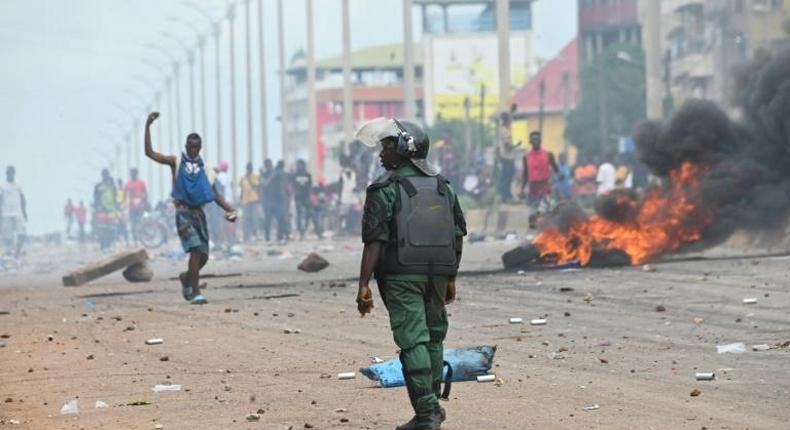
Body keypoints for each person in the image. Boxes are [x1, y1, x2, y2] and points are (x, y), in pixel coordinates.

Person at [355, 118, 466, 430]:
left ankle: (427, 413)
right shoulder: (444, 187)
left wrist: (363, 284)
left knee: (414, 341)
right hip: (438, 273)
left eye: (387, 147)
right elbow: (457, 235)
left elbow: (374, 240)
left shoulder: (384, 189)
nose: (381, 154)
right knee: (433, 337)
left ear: (405, 150)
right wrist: (452, 277)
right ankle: (431, 406)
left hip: (401, 276)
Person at [144, 111, 236, 305]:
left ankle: (187, 278)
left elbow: (215, 194)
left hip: (199, 213)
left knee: (203, 256)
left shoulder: (206, 169)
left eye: (196, 147)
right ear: (186, 147)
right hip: (183, 212)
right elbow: (150, 153)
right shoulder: (176, 162)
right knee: (194, 250)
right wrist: (147, 126)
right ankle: (195, 292)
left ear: (200, 148)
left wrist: (230, 209)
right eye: (190, 147)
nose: (193, 150)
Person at [520, 131, 558, 228]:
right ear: (530, 141)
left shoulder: (548, 154)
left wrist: (559, 175)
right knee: (533, 218)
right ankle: (535, 235)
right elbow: (525, 174)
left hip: (546, 188)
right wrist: (521, 189)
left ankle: (549, 233)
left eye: (537, 139)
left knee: (549, 212)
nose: (535, 141)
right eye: (533, 139)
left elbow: (555, 168)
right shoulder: (526, 157)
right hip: (533, 190)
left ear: (541, 140)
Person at [0, 166, 28, 259]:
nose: (11, 174)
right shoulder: (2, 185)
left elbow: (22, 198)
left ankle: (17, 252)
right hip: (6, 214)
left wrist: (24, 212)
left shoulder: (18, 185)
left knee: (22, 234)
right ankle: (9, 254)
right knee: (7, 237)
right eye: (9, 173)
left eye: (13, 173)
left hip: (18, 213)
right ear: (6, 174)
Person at [93, 169, 120, 251]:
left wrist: (117, 207)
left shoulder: (112, 185)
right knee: (103, 229)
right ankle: (104, 246)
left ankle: (109, 245)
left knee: (111, 229)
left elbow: (115, 197)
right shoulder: (98, 186)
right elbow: (96, 198)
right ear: (102, 175)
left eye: (106, 174)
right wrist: (97, 208)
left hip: (111, 210)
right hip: (102, 210)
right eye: (104, 174)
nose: (105, 175)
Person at [496, 112, 518, 202]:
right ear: (506, 120)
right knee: (507, 176)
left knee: (507, 176)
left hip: (507, 157)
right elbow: (507, 146)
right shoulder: (504, 131)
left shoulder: (506, 130)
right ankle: (505, 195)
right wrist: (516, 146)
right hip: (507, 157)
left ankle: (505, 195)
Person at [125, 168, 148, 244]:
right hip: (131, 207)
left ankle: (140, 238)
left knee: (140, 223)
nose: (133, 174)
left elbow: (145, 193)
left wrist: (144, 202)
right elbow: (125, 195)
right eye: (132, 173)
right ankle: (135, 240)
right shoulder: (128, 184)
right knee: (133, 224)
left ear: (137, 174)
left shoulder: (141, 183)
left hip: (140, 207)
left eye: (135, 173)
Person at [291, 159, 313, 240]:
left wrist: (309, 197)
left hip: (306, 197)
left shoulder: (308, 175)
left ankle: (305, 229)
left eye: (301, 165)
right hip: (298, 197)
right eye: (298, 165)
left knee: (309, 214)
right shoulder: (295, 175)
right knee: (299, 215)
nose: (300, 166)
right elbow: (292, 185)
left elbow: (310, 186)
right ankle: (301, 232)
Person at [239, 162, 260, 241]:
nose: (249, 169)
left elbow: (256, 186)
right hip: (245, 201)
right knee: (246, 219)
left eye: (250, 168)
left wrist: (249, 178)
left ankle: (254, 235)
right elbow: (241, 189)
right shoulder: (242, 178)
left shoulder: (255, 176)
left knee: (254, 218)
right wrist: (240, 200)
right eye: (248, 168)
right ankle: (246, 236)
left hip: (254, 200)